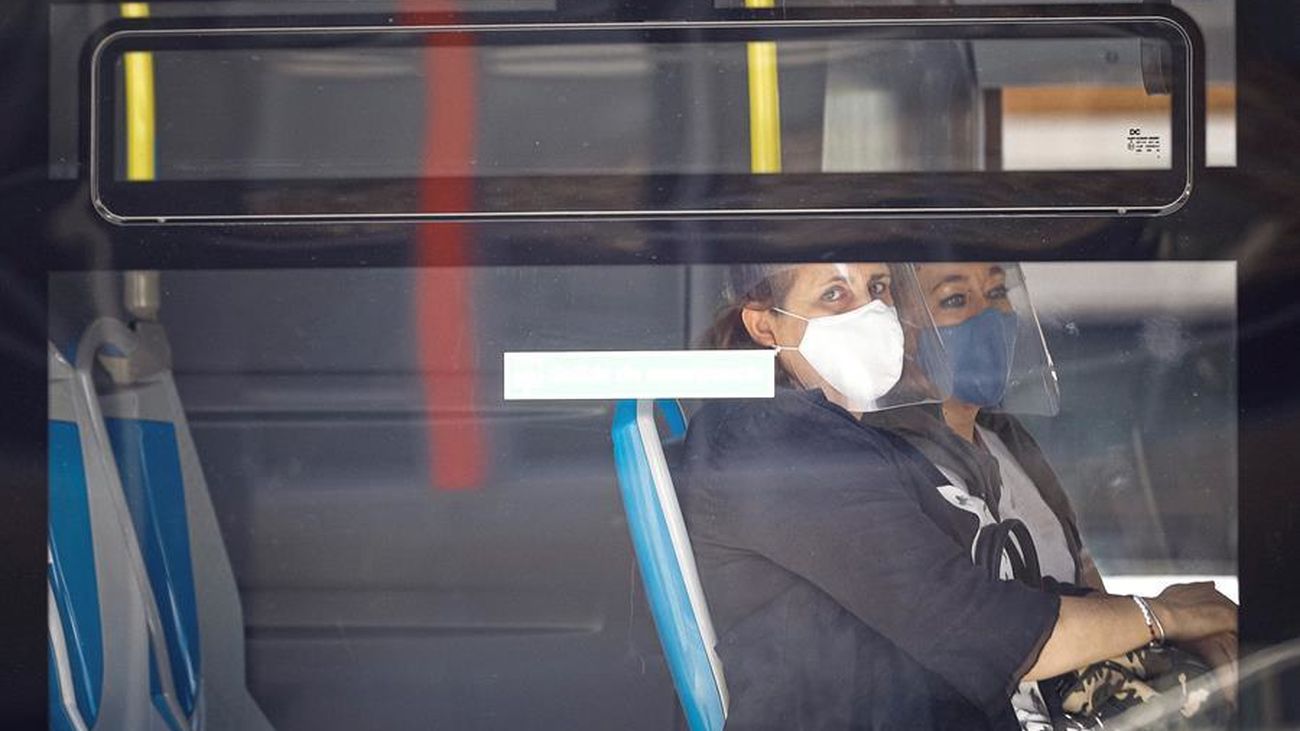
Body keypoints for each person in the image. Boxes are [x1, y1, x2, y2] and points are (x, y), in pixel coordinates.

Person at [677, 261, 1237, 730]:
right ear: (765, 325)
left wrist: (1160, 630)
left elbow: (1003, 596)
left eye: (877, 288)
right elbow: (987, 632)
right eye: (834, 295)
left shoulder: (845, 439)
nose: (869, 313)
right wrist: (1162, 617)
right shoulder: (779, 447)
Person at [867, 262, 1237, 724]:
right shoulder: (880, 468)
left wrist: (1179, 633)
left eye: (997, 292)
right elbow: (987, 640)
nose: (990, 318)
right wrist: (1162, 617)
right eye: (955, 300)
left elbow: (1090, 592)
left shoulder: (1012, 444)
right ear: (902, 328)